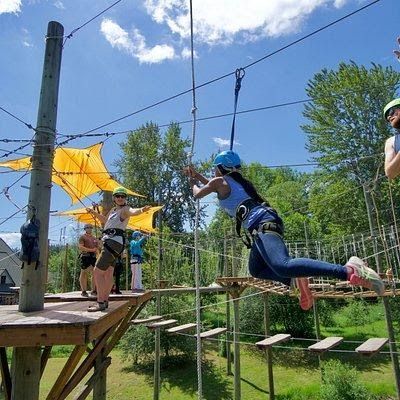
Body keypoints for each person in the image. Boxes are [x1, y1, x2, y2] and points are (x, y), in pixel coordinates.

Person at [184, 150, 385, 310]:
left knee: (282, 265)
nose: (212, 173)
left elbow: (198, 194)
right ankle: (296, 280)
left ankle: (349, 270)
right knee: (257, 269)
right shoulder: (233, 183)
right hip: (262, 226)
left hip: (263, 224)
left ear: (220, 168)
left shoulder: (219, 182)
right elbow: (212, 184)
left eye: (214, 169)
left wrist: (191, 181)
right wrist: (198, 176)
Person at [86, 187, 151, 311]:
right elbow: (105, 221)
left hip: (113, 242)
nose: (120, 198)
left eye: (123, 196)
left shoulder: (125, 209)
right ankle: (104, 301)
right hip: (113, 243)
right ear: (114, 198)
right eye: (118, 196)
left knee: (97, 272)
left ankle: (100, 301)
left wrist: (142, 209)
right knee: (108, 273)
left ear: (125, 198)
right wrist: (93, 213)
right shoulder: (113, 210)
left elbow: (133, 211)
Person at [78, 223, 99, 297]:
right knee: (84, 273)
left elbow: (97, 248)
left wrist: (96, 248)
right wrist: (91, 250)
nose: (89, 228)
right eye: (87, 227)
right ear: (85, 229)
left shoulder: (94, 238)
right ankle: (84, 291)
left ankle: (93, 290)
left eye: (90, 227)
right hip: (85, 256)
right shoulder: (82, 237)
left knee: (94, 273)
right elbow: (81, 247)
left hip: (93, 257)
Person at [384, 98, 400, 179]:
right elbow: (390, 173)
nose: (389, 117)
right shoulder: (391, 142)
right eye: (387, 116)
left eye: (391, 112)